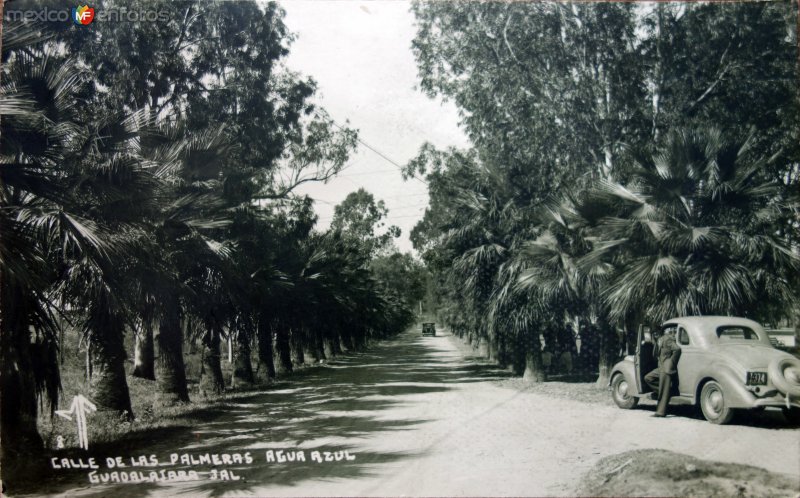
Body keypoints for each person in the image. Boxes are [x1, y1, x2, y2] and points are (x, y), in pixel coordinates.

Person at [644, 326, 681, 417]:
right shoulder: (658, 341)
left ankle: (660, 412)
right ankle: (667, 392)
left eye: (657, 333)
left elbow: (677, 349)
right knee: (648, 378)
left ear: (660, 333)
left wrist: (671, 362)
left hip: (666, 368)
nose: (655, 335)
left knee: (663, 389)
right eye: (654, 334)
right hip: (661, 368)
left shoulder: (666, 339)